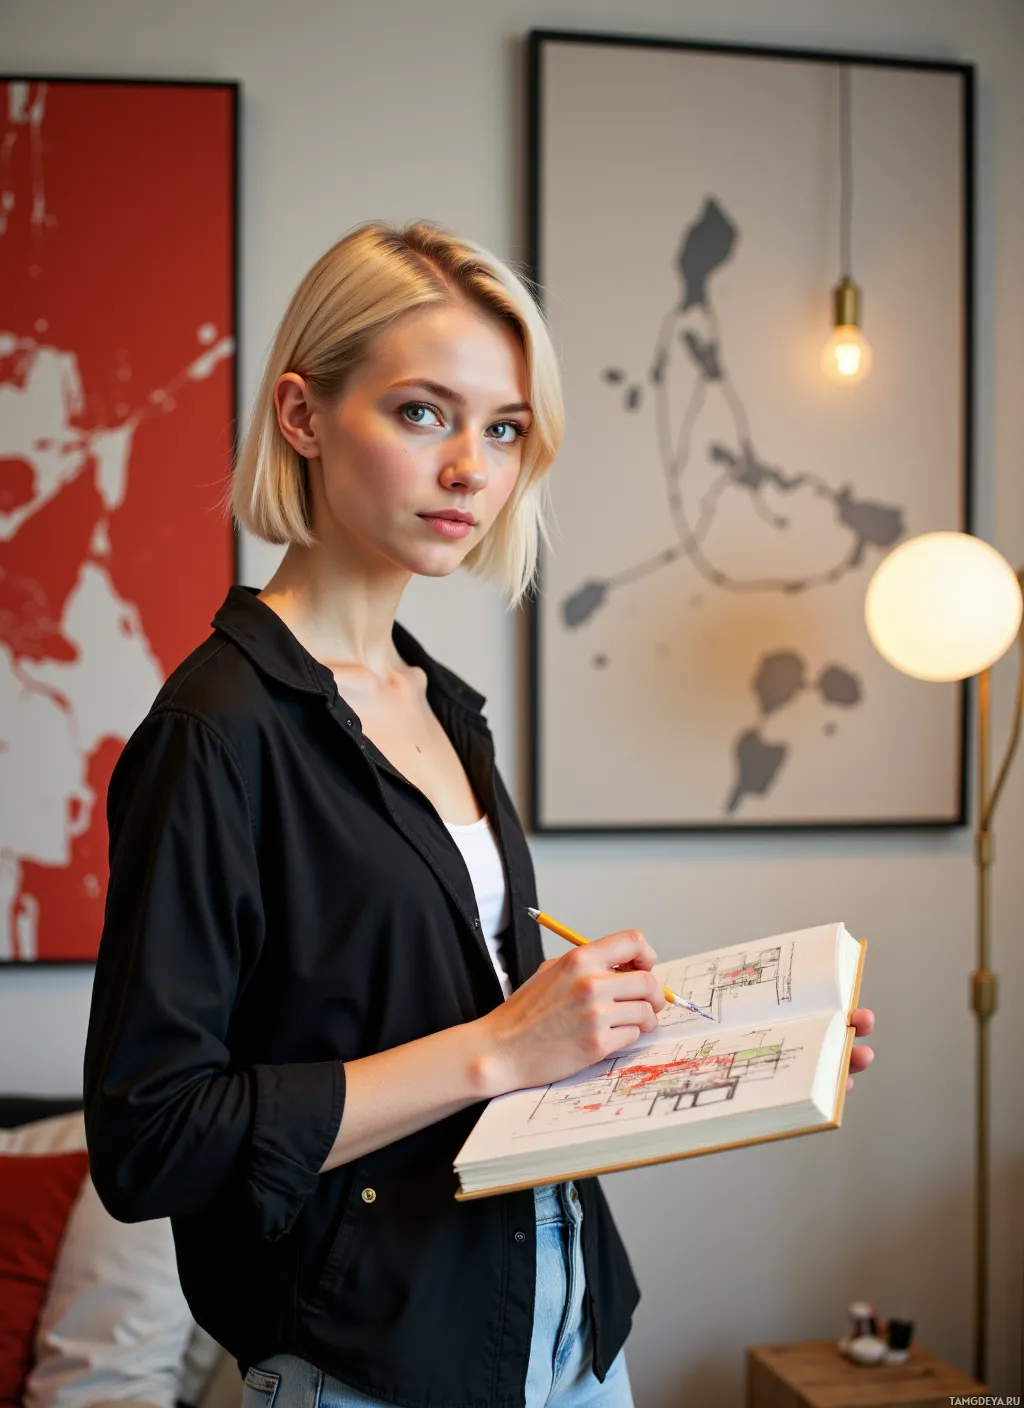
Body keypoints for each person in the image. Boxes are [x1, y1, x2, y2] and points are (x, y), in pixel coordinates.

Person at [83, 220, 875, 1408]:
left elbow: (483, 1040)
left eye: (502, 429)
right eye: (422, 412)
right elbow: (153, 1140)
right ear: (302, 417)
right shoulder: (215, 732)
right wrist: (502, 1044)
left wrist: (736, 1049)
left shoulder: (441, 706)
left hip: (569, 1326)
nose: (472, 467)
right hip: (377, 1362)